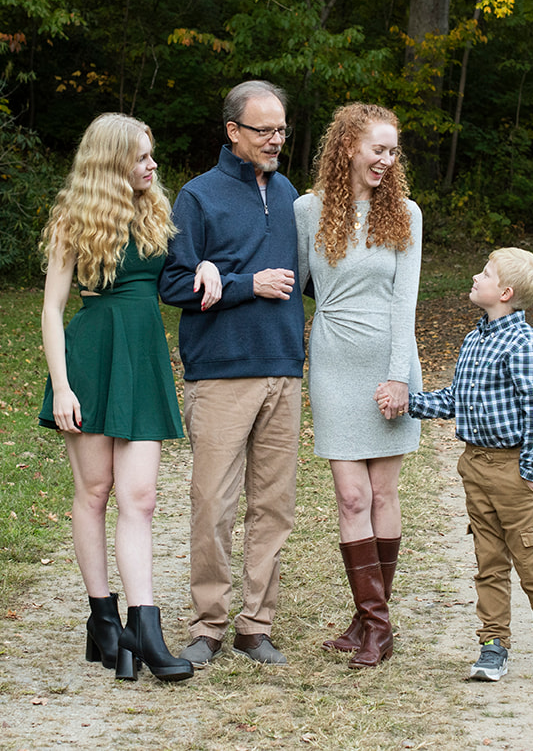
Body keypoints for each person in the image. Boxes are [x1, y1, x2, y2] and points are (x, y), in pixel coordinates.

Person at [39, 113, 200, 683]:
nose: (151, 166)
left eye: (151, 155)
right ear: (110, 162)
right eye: (139, 158)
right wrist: (61, 385)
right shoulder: (74, 221)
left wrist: (202, 265)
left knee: (142, 498)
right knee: (95, 491)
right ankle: (103, 619)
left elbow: (172, 279)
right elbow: (52, 311)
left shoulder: (154, 210)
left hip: (143, 358)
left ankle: (144, 627)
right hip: (91, 359)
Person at [158, 80, 306, 666]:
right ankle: (207, 627)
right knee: (213, 504)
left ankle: (255, 626)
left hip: (283, 370)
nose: (275, 140)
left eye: (281, 130)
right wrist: (248, 285)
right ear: (232, 132)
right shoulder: (198, 198)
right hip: (220, 374)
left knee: (274, 506)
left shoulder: (292, 193)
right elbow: (173, 284)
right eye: (263, 130)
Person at [393, 247, 533, 686]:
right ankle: (493, 646)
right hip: (474, 465)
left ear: (505, 292)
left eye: (486, 273)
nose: (476, 276)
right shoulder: (476, 339)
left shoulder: (526, 344)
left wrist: (529, 472)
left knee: (532, 564)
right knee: (488, 560)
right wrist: (408, 403)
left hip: (513, 470)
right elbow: (456, 399)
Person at [294, 103, 422, 669]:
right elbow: (297, 282)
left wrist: (398, 375)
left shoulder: (407, 214)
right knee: (351, 496)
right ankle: (374, 623)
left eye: (393, 152)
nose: (387, 161)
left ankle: (373, 626)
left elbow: (405, 302)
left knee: (383, 495)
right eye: (378, 149)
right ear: (348, 146)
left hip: (389, 366)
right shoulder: (307, 210)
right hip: (333, 361)